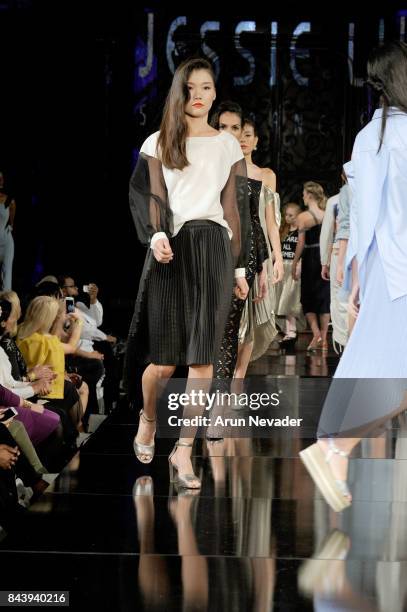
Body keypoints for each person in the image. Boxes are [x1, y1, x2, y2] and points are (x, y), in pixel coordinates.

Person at [125, 58, 250, 488]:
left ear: (215, 94)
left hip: (213, 248)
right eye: (191, 87)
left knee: (202, 361)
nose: (199, 95)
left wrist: (238, 266)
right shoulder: (158, 142)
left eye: (207, 87)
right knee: (162, 363)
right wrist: (156, 235)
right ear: (180, 92)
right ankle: (148, 417)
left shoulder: (227, 146)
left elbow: (235, 209)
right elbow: (150, 196)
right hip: (172, 251)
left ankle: (183, 450)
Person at [299, 41, 407, 512]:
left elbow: (365, 216)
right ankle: (335, 447)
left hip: (385, 266)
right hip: (397, 270)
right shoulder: (391, 137)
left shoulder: (370, 138)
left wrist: (358, 277)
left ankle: (335, 447)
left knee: (381, 372)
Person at [291, 182, 331, 351]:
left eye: (303, 194)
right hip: (325, 258)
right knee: (324, 298)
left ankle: (316, 335)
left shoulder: (302, 218)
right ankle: (324, 337)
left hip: (310, 258)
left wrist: (294, 263)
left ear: (309, 195)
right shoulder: (328, 214)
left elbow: (300, 244)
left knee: (308, 298)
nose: (302, 197)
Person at [274, 203, 304, 349]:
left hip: (293, 267)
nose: (287, 218)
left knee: (290, 300)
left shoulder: (301, 231)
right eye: (286, 215)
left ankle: (292, 331)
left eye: (291, 215)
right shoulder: (283, 231)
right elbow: (277, 250)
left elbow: (302, 250)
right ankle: (287, 331)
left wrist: (299, 265)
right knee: (280, 300)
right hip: (282, 267)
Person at [0, 171, 15, 291]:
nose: (0, 180)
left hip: (6, 241)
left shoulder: (9, 200)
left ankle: (7, 303)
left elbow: (11, 222)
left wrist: (10, 227)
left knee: (7, 272)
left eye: (1, 178)